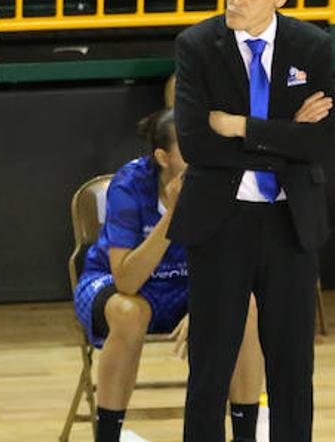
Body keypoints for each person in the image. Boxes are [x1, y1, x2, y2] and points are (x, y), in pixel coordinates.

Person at [172, 0, 335, 442]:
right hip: (222, 222)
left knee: (292, 369)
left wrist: (243, 125)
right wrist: (285, 135)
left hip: (290, 223)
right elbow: (198, 143)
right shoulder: (197, 46)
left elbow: (325, 141)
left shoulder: (312, 47)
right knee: (210, 366)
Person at [74, 107, 264, 442]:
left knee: (244, 306)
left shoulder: (220, 181)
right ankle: (107, 436)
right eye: (188, 145)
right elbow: (126, 281)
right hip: (119, 284)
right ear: (162, 156)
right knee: (131, 312)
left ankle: (245, 435)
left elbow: (231, 262)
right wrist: (175, 214)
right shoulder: (129, 185)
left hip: (186, 286)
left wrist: (204, 305)